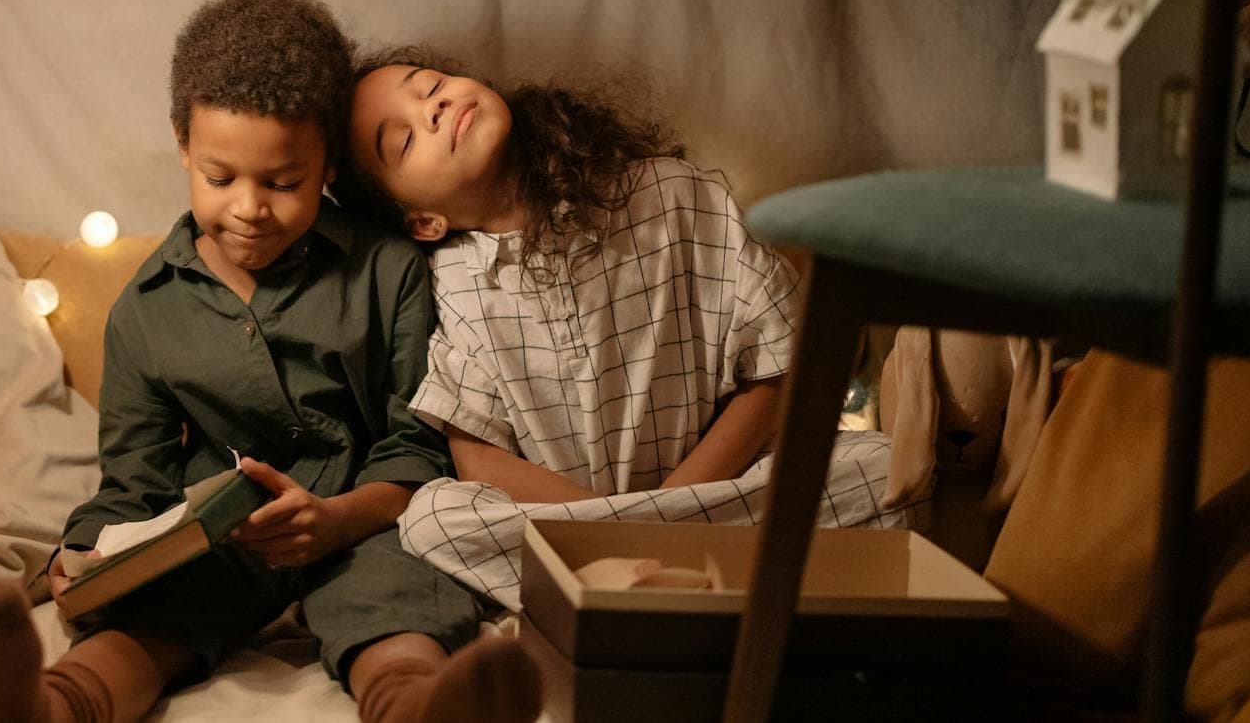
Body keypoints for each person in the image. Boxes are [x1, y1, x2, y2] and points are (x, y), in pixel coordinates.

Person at [0, 0, 540, 723]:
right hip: (222, 537)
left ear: (325, 165)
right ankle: (47, 706)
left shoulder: (388, 269)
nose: (250, 207)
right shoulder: (146, 312)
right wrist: (89, 553)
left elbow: (416, 443)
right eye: (219, 178)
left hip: (365, 521)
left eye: (283, 182)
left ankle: (419, 707)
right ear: (183, 145)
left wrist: (338, 518)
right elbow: (135, 483)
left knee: (398, 601)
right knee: (154, 612)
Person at [338, 48, 916, 610]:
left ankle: (633, 584)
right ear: (422, 221)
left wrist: (668, 514)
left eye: (431, 84)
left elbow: (780, 371)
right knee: (432, 519)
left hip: (718, 493)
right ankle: (671, 580)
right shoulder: (449, 278)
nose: (433, 107)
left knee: (883, 468)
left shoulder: (672, 192)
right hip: (582, 533)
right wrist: (620, 533)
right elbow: (479, 461)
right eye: (404, 140)